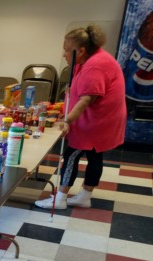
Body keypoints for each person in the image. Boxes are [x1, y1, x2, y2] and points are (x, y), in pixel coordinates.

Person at [35, 25, 126, 210]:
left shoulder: (95, 65)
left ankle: (60, 199)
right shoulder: (94, 58)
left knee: (71, 155)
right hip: (103, 119)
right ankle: (85, 195)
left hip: (95, 121)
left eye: (67, 50)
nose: (64, 54)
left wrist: (66, 121)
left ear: (81, 50)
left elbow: (86, 100)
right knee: (95, 156)